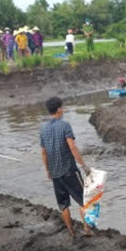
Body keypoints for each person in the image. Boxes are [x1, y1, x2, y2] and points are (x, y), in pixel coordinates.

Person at [40, 97, 94, 237]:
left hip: (56, 173)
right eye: (62, 107)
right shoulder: (65, 125)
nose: (63, 110)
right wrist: (83, 165)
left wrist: (48, 171)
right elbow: (72, 147)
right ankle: (87, 229)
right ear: (58, 109)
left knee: (63, 204)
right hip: (69, 170)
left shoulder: (43, 128)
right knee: (84, 200)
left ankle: (71, 232)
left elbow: (43, 152)